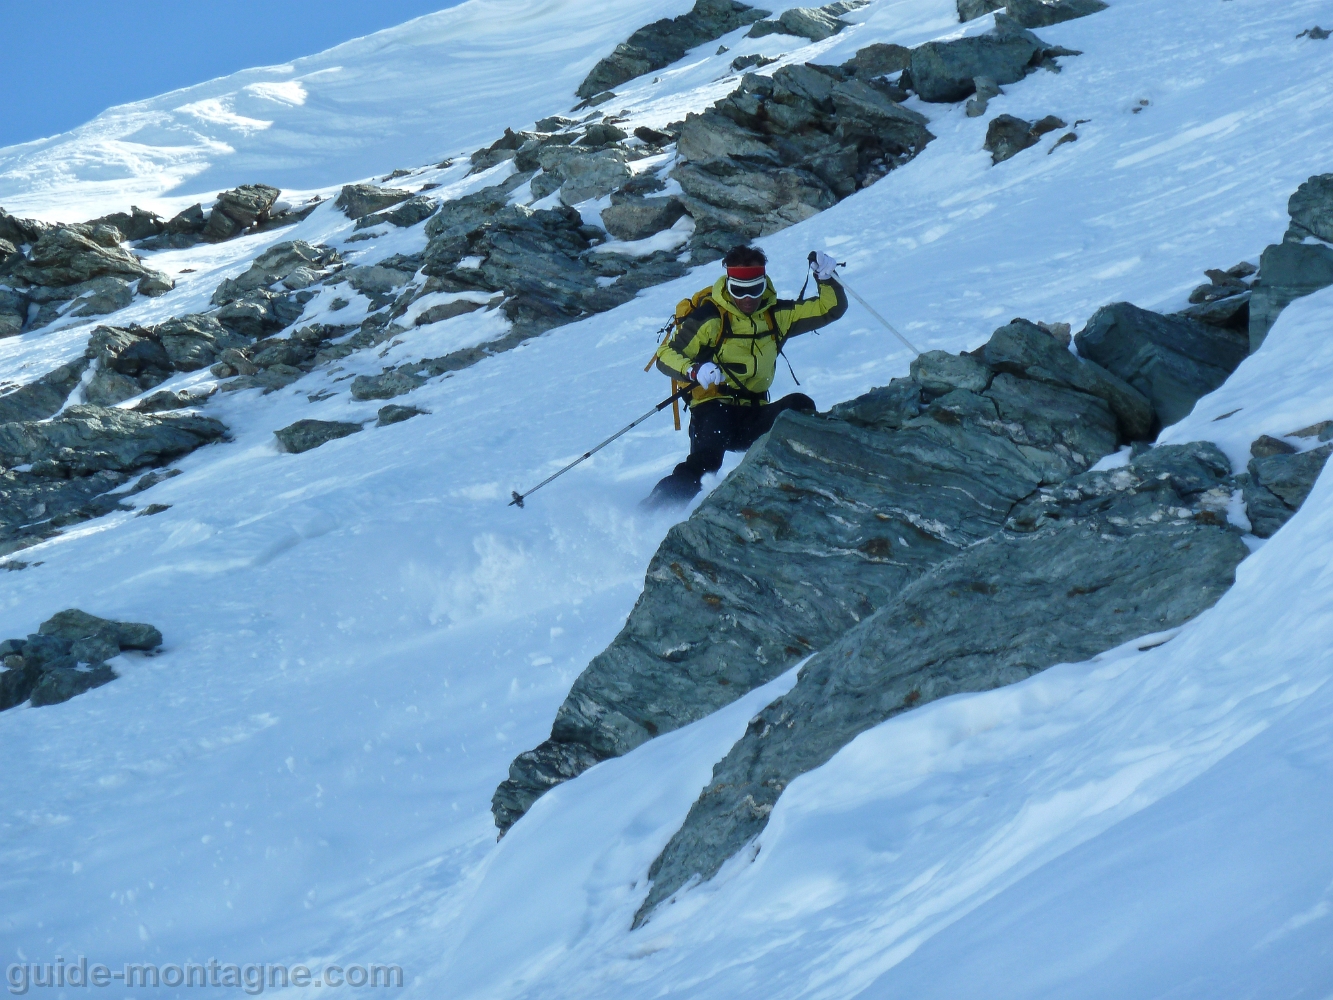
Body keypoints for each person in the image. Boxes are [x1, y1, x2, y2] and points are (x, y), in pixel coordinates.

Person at [644, 244, 847, 507]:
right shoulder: (710, 319)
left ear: (764, 284)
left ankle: (801, 490)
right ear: (728, 285)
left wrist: (827, 279)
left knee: (800, 406)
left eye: (755, 289)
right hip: (712, 411)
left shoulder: (777, 316)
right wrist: (694, 369)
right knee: (706, 463)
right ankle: (650, 513)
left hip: (754, 415)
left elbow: (827, 309)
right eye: (739, 291)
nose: (748, 298)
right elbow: (665, 355)